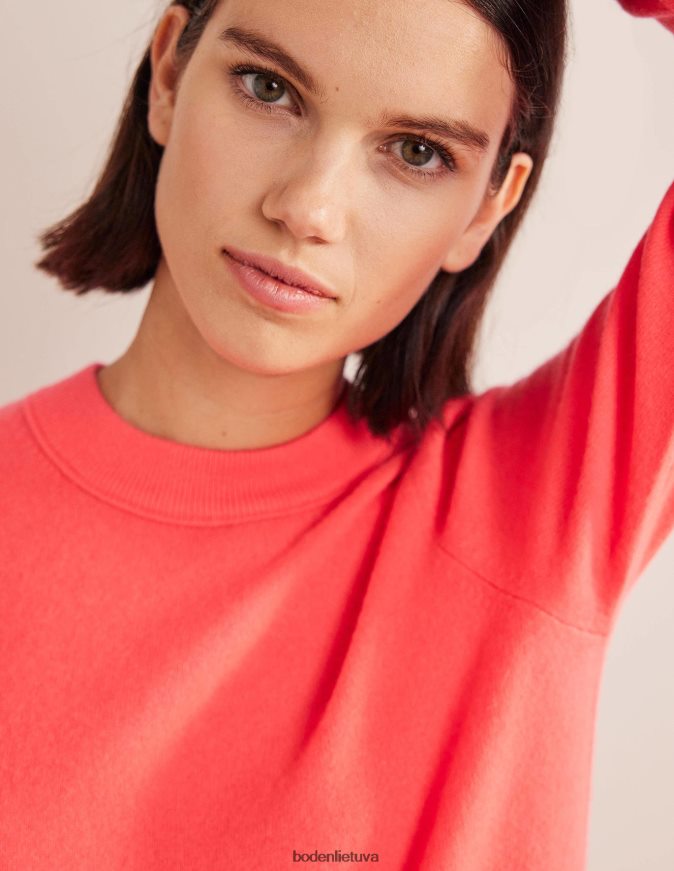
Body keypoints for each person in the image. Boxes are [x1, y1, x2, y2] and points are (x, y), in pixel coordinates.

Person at [0, 0, 671, 868]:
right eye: (268, 88)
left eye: (417, 152)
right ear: (168, 73)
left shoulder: (537, 519)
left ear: (486, 208)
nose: (309, 207)